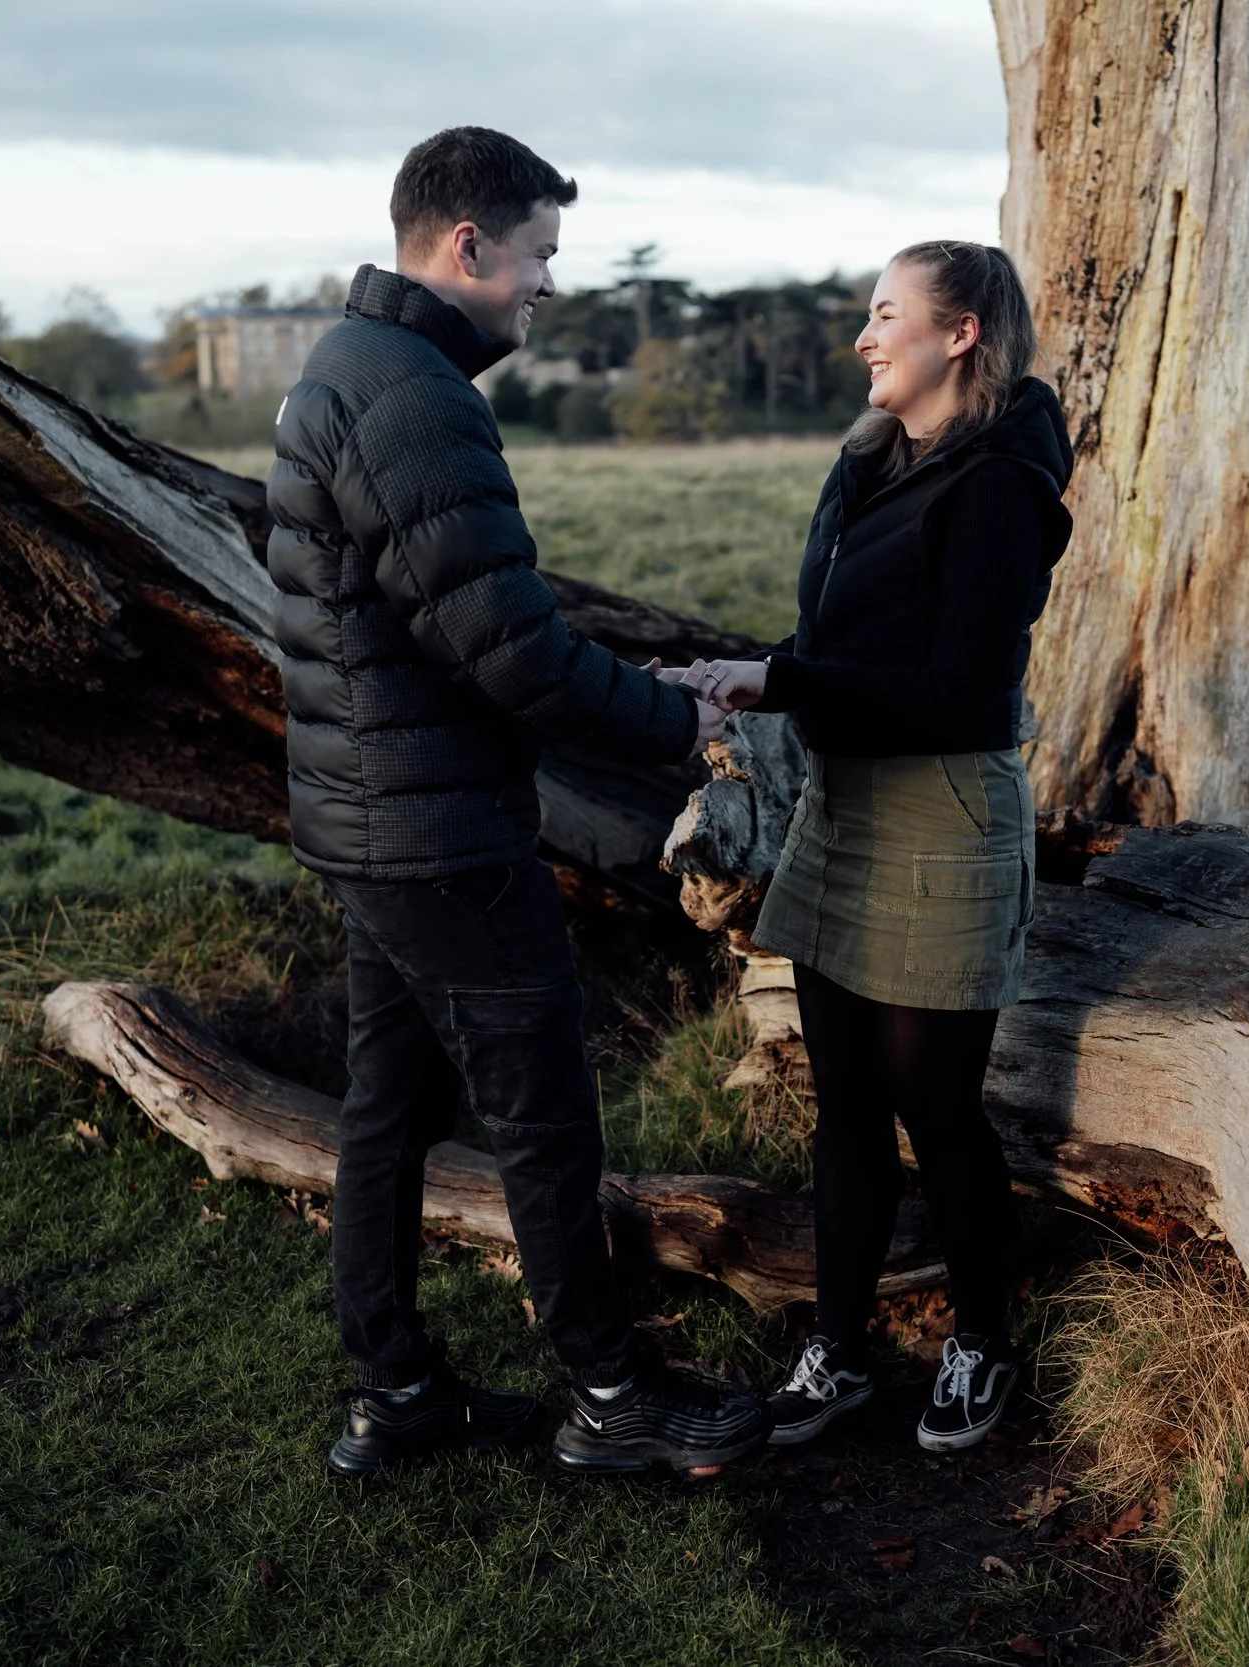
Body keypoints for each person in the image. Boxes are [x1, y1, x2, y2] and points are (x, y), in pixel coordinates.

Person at [262, 126, 770, 1478]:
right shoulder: (416, 398)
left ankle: (399, 1390)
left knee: (388, 1105)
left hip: (377, 820)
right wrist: (681, 718)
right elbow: (512, 653)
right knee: (543, 1116)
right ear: (467, 244)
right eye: (539, 252)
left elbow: (453, 623)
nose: (549, 282)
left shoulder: (353, 367)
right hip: (437, 835)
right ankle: (610, 1393)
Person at [676, 241, 1072, 1454]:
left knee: (935, 1108)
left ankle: (981, 1347)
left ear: (959, 335)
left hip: (940, 810)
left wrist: (779, 677)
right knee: (843, 1103)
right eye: (865, 312)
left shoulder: (998, 480)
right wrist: (745, 681)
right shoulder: (872, 463)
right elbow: (838, 639)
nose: (863, 333)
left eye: (886, 313)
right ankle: (836, 1349)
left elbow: (959, 691)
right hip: (844, 805)